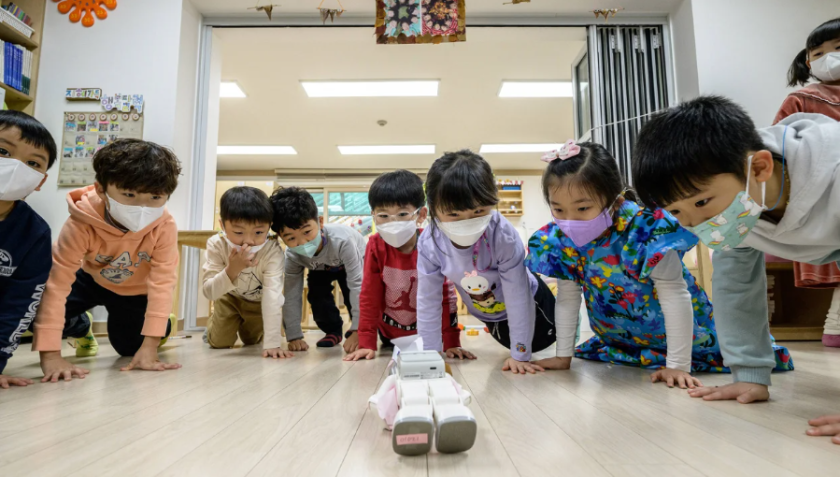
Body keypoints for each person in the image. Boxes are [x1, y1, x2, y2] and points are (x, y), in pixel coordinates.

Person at [632, 95, 840, 443]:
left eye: (701, 202)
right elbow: (736, 287)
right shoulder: (740, 206)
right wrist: (749, 372)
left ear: (759, 168)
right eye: (678, 212)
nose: (698, 222)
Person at [525, 141, 791, 388]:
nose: (571, 220)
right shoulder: (560, 240)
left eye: (583, 209)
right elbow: (568, 298)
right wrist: (563, 356)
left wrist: (677, 366)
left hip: (688, 343)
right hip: (623, 343)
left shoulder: (646, 230)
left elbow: (675, 293)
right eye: (558, 210)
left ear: (615, 200)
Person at [34, 139, 182, 382]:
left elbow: (163, 283)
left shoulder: (164, 226)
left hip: (135, 291)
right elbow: (57, 284)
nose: (142, 207)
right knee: (32, 312)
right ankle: (81, 326)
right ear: (102, 190)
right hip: (92, 279)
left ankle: (163, 323)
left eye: (155, 197)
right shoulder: (81, 221)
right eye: (129, 194)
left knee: (129, 348)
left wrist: (150, 346)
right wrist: (50, 356)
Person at [416, 150, 565, 374]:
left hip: (533, 304)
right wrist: (431, 353)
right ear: (433, 211)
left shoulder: (502, 235)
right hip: (490, 314)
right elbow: (428, 299)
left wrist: (520, 354)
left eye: (479, 211)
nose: (467, 221)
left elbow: (517, 295)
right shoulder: (430, 243)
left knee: (535, 347)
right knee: (511, 349)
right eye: (454, 215)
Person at [345, 170, 470, 362]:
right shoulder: (375, 245)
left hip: (427, 334)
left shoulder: (432, 244)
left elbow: (445, 296)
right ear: (373, 216)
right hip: (389, 335)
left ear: (421, 214)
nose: (392, 222)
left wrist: (451, 341)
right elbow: (369, 296)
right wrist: (366, 343)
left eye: (402, 214)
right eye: (383, 215)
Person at [776, 17, 840, 348]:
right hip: (822, 195)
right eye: (818, 52)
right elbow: (777, 150)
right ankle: (835, 324)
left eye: (838, 48)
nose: (828, 57)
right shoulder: (801, 100)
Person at [270, 187, 365, 353]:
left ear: (320, 222)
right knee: (316, 294)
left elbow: (358, 284)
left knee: (351, 291)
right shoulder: (293, 254)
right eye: (291, 238)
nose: (303, 243)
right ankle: (333, 331)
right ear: (281, 237)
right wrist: (294, 335)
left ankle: (356, 328)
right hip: (319, 267)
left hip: (349, 260)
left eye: (307, 232)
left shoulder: (343, 241)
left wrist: (359, 330)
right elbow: (292, 293)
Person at [0, 111, 56, 389]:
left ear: (40, 181)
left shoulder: (35, 233)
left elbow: (19, 304)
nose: (14, 167)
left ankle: (78, 324)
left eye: (32, 163)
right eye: (3, 151)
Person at [202, 186, 292, 358]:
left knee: (251, 340)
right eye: (238, 232)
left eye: (259, 232)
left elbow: (273, 295)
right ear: (222, 225)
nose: (249, 241)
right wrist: (232, 269)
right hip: (228, 297)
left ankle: (244, 326)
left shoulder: (272, 250)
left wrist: (273, 344)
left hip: (258, 302)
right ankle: (214, 327)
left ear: (269, 227)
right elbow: (209, 292)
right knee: (219, 343)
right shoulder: (216, 244)